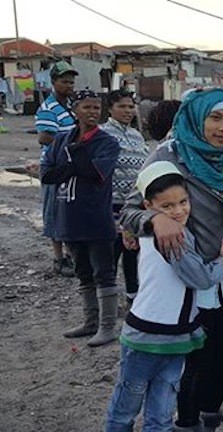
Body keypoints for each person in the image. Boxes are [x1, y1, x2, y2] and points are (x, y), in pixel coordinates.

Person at [120, 88, 223, 432]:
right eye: (215, 118)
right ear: (197, 117)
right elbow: (131, 210)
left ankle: (206, 431)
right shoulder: (170, 156)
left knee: (221, 361)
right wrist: (157, 222)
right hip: (189, 286)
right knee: (192, 366)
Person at [102, 161, 223, 432]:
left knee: (160, 417)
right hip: (146, 339)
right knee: (127, 407)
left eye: (183, 202)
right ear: (149, 206)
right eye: (167, 205)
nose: (178, 210)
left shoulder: (172, 229)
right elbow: (196, 276)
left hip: (176, 340)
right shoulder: (170, 234)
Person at [41, 89, 121, 346]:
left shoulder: (107, 142)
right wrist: (74, 165)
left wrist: (70, 164)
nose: (93, 112)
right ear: (75, 110)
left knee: (104, 273)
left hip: (96, 218)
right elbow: (46, 174)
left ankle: (108, 326)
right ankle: (90, 322)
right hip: (69, 217)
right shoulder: (62, 139)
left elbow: (96, 172)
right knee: (83, 272)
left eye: (97, 108)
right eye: (87, 107)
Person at [101, 89, 150, 306]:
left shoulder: (136, 135)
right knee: (111, 254)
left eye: (131, 106)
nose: (128, 111)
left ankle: (133, 298)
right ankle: (107, 305)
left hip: (133, 206)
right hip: (111, 205)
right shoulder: (103, 134)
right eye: (122, 106)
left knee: (132, 253)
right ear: (110, 108)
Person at [35, 61, 78, 277]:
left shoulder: (68, 106)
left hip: (67, 165)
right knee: (53, 211)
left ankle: (70, 256)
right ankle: (58, 259)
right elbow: (44, 137)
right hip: (54, 166)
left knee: (66, 210)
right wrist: (68, 147)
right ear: (53, 83)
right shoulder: (48, 108)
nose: (69, 85)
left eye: (71, 82)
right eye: (64, 82)